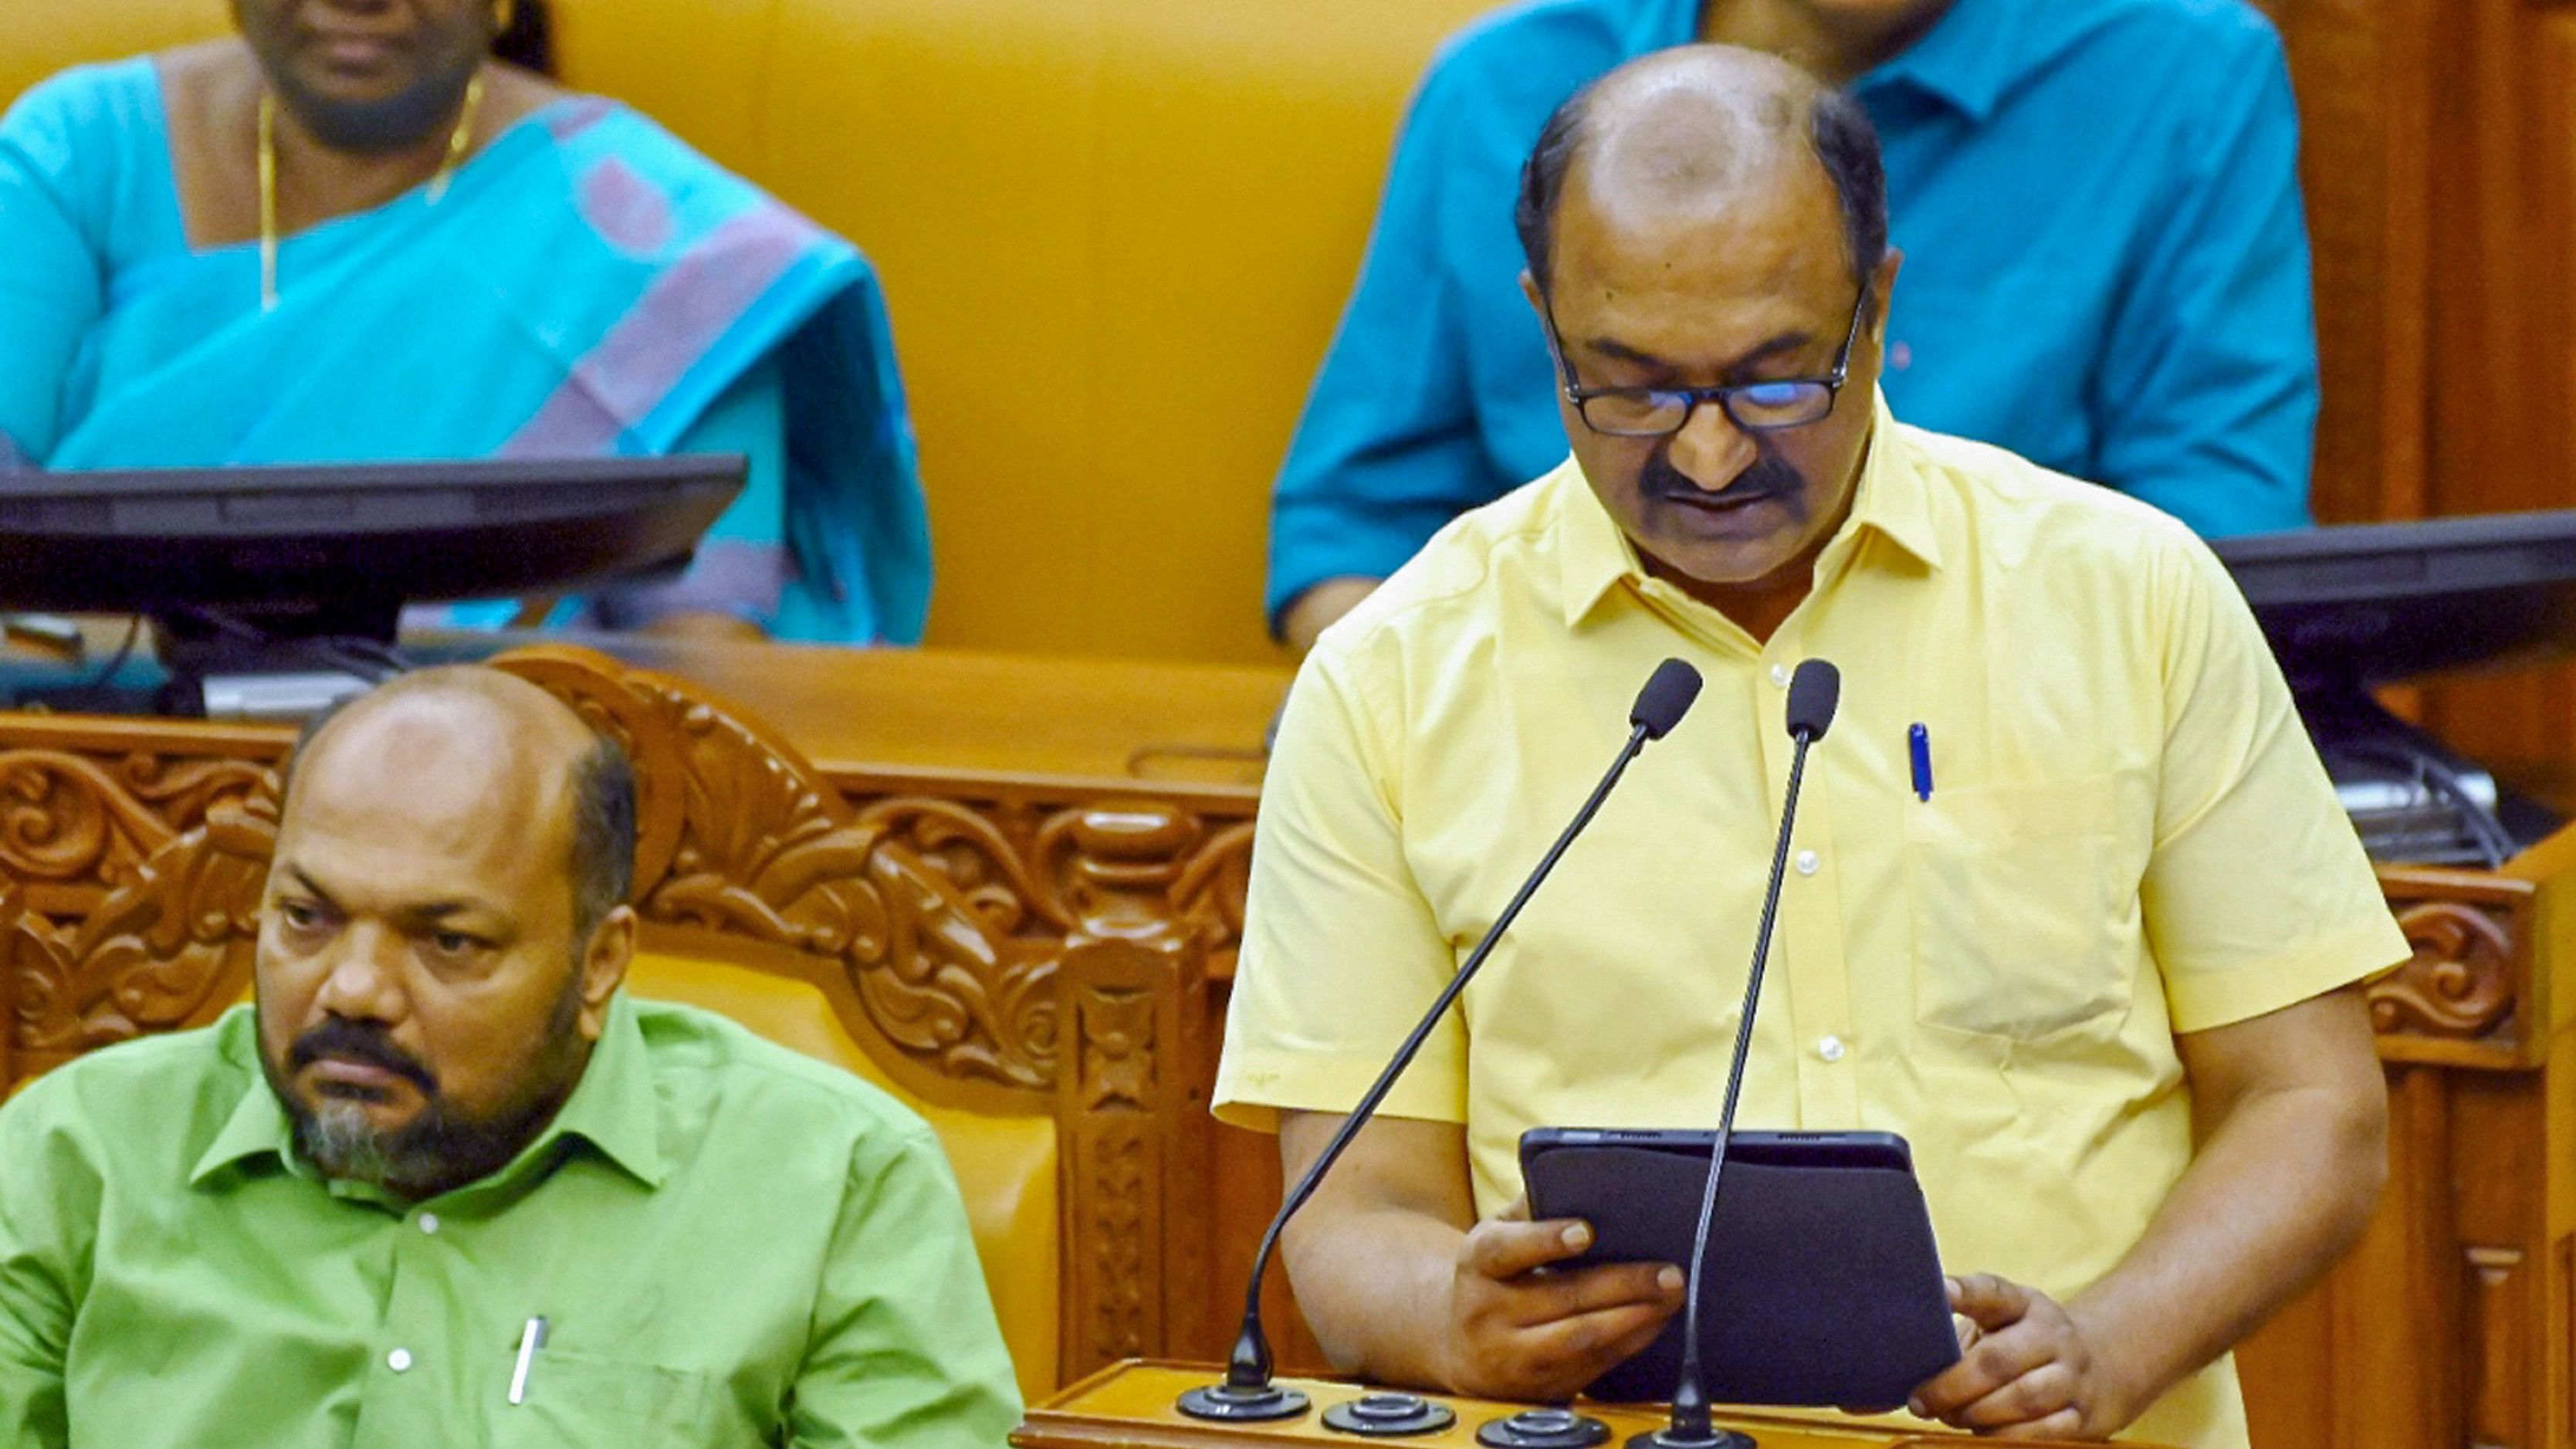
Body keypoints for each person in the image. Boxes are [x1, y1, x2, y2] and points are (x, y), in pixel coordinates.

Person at [1217, 47, 2400, 1445]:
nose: (1710, 458)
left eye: (1777, 385)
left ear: (1878, 302)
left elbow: (2312, 1106)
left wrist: (2109, 1347)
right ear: (1545, 329)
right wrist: (1446, 1312)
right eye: (1633, 390)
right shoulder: (1388, 681)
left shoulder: (2128, 594)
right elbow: (1355, 1211)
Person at [0, 667, 1019, 1446]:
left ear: (599, 963)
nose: (353, 989)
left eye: (448, 941)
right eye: (307, 918)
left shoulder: (831, 1184)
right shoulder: (74, 1157)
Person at [1269, 0, 2319, 652]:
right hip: (1573, 764)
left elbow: (2208, 560)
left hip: (1988, 780)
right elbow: (1352, 541)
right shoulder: (1496, 87)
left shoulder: (2186, 74)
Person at [0, 0, 929, 643]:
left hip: (486, 820)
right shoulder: (75, 155)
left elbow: (706, 651)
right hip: (89, 774)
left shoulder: (665, 251)